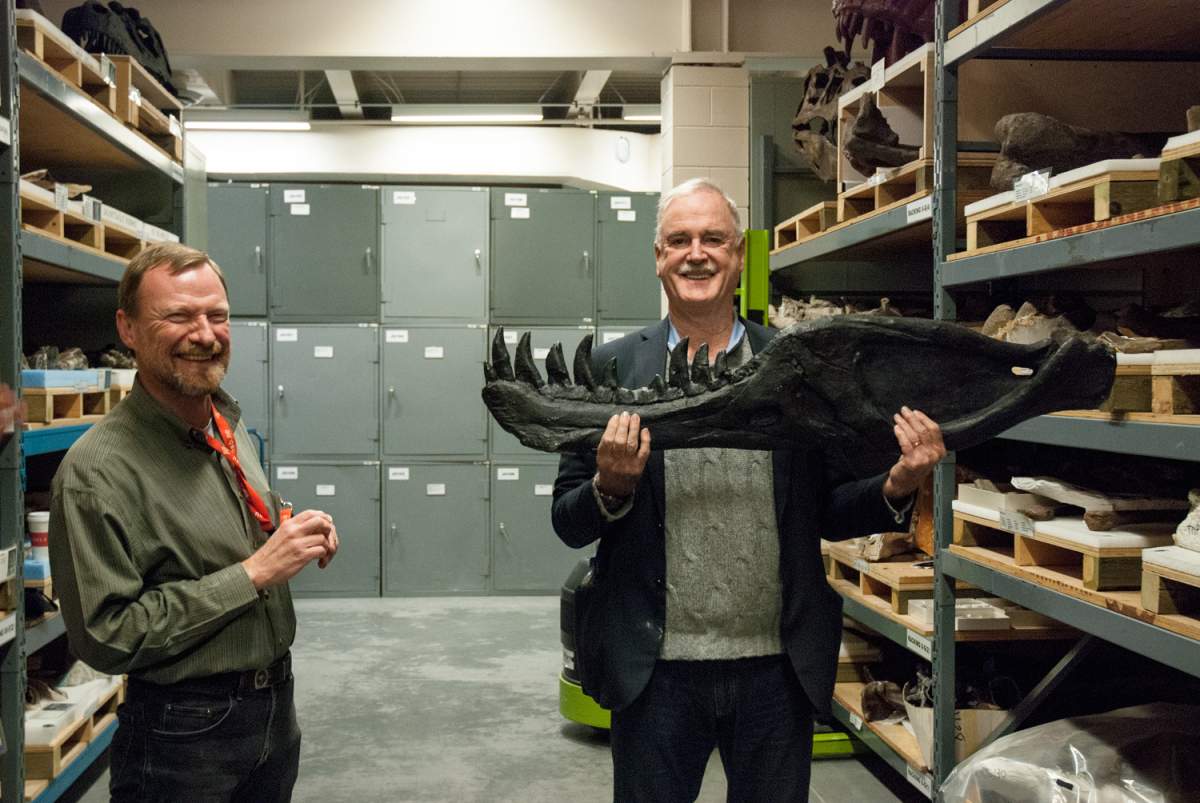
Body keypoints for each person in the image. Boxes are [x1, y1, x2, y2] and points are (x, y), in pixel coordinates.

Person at [551, 178, 945, 802]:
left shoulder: (798, 367)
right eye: (679, 240)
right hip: (656, 674)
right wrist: (610, 486)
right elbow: (568, 520)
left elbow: (828, 510)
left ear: (738, 256)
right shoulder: (612, 370)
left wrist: (900, 483)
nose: (696, 254)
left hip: (775, 670)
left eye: (713, 239)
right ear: (658, 257)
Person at [49, 243, 339, 802]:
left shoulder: (223, 421)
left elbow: (226, 528)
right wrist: (254, 573)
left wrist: (288, 528)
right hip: (182, 735)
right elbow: (107, 636)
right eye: (178, 316)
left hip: (274, 711)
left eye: (217, 315)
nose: (204, 334)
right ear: (128, 329)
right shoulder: (97, 472)